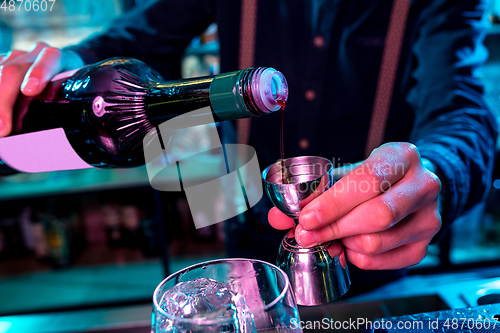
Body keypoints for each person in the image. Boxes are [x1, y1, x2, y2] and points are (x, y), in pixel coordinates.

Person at [0, 0, 497, 294]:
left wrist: (434, 173)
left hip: (371, 253)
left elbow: (463, 112)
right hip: (248, 231)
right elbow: (139, 36)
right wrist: (69, 64)